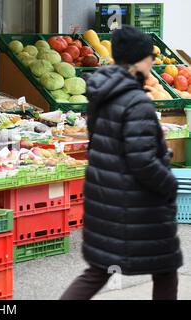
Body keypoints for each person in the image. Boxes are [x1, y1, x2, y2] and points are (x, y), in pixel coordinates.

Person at [60, 26, 183, 300]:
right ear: (139, 60)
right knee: (165, 268)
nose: (152, 61)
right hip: (136, 203)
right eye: (150, 57)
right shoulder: (136, 101)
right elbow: (142, 160)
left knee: (99, 270)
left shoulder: (103, 94)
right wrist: (169, 183)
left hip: (106, 197)